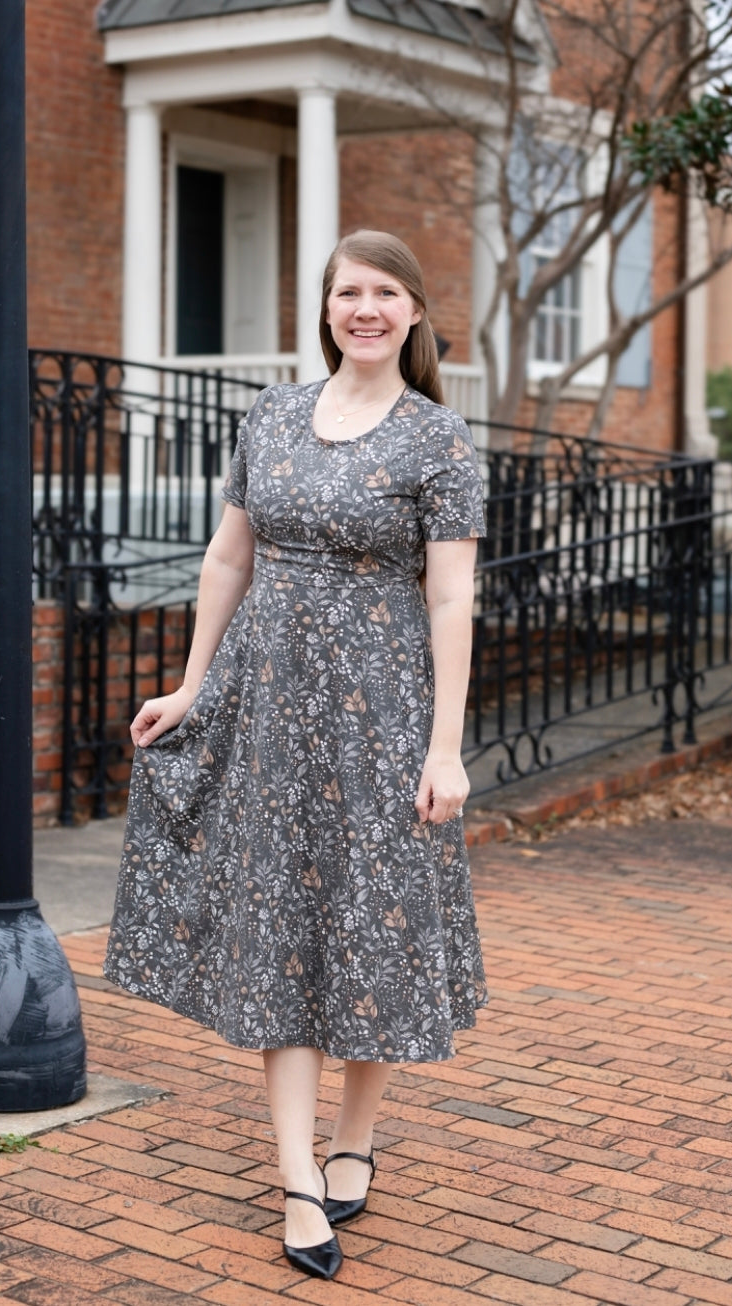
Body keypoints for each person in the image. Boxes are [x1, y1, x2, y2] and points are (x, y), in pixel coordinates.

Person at [105, 229, 488, 1283]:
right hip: (268, 702)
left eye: (384, 292)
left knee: (372, 918)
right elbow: (229, 555)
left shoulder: (438, 440)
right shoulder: (269, 414)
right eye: (346, 291)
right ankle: (296, 1174)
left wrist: (445, 744)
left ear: (413, 312)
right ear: (326, 308)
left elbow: (451, 593)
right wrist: (189, 683)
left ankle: (357, 1135)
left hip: (384, 709)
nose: (363, 308)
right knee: (278, 919)